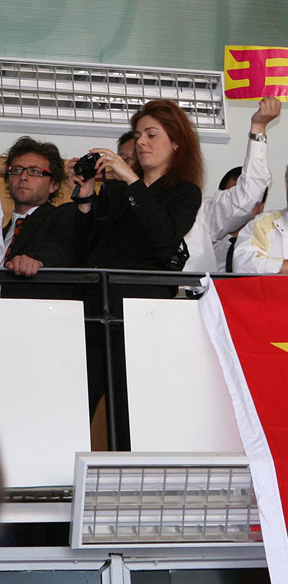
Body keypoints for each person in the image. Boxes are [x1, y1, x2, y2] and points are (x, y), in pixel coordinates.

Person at [72, 99, 204, 450]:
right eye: (138, 134)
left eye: (151, 134)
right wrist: (84, 199)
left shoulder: (184, 192)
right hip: (97, 310)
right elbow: (86, 250)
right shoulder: (116, 191)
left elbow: (164, 239)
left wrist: (132, 180)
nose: (141, 141)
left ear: (176, 142)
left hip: (142, 316)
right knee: (75, 403)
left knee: (131, 410)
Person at [182, 97, 279, 272]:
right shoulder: (209, 243)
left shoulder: (273, 244)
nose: (143, 142)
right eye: (229, 194)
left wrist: (258, 128)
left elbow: (248, 193)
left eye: (151, 135)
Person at [2, 137, 74, 296]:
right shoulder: (3, 233)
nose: (23, 176)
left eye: (35, 171)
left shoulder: (63, 217)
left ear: (53, 185)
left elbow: (61, 249)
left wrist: (38, 262)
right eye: (17, 170)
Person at [212, 166, 269, 273]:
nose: (240, 208)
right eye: (234, 201)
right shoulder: (203, 245)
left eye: (248, 202)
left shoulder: (271, 248)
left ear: (261, 208)